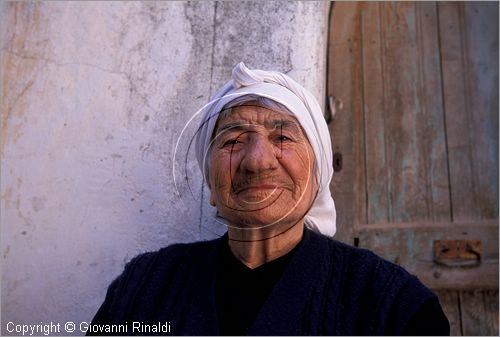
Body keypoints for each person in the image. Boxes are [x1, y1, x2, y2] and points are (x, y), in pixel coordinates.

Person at [88, 62, 450, 335]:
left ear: (318, 177)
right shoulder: (143, 289)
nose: (257, 161)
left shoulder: (393, 307)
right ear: (211, 185)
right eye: (233, 141)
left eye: (283, 138)